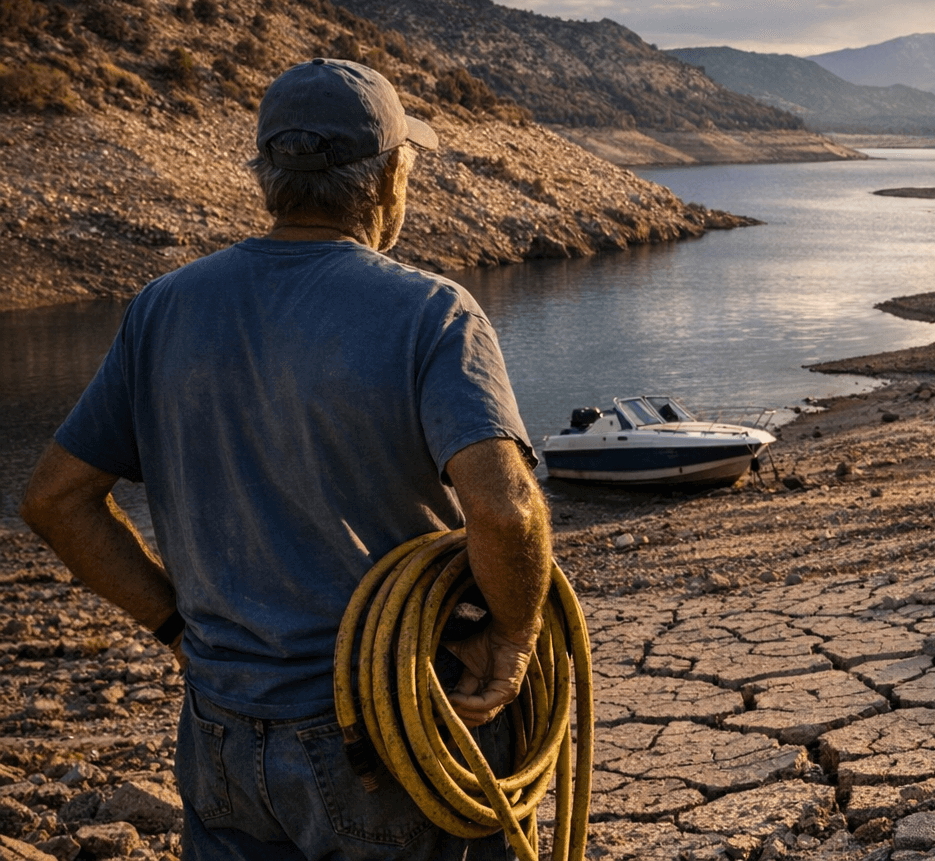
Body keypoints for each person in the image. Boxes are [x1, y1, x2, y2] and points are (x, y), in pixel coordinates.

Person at [19, 58, 552, 860]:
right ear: (389, 179)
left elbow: (55, 501)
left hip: (221, 732)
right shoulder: (431, 311)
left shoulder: (164, 308)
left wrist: (179, 630)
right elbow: (505, 509)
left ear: (268, 176)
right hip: (390, 732)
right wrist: (513, 638)